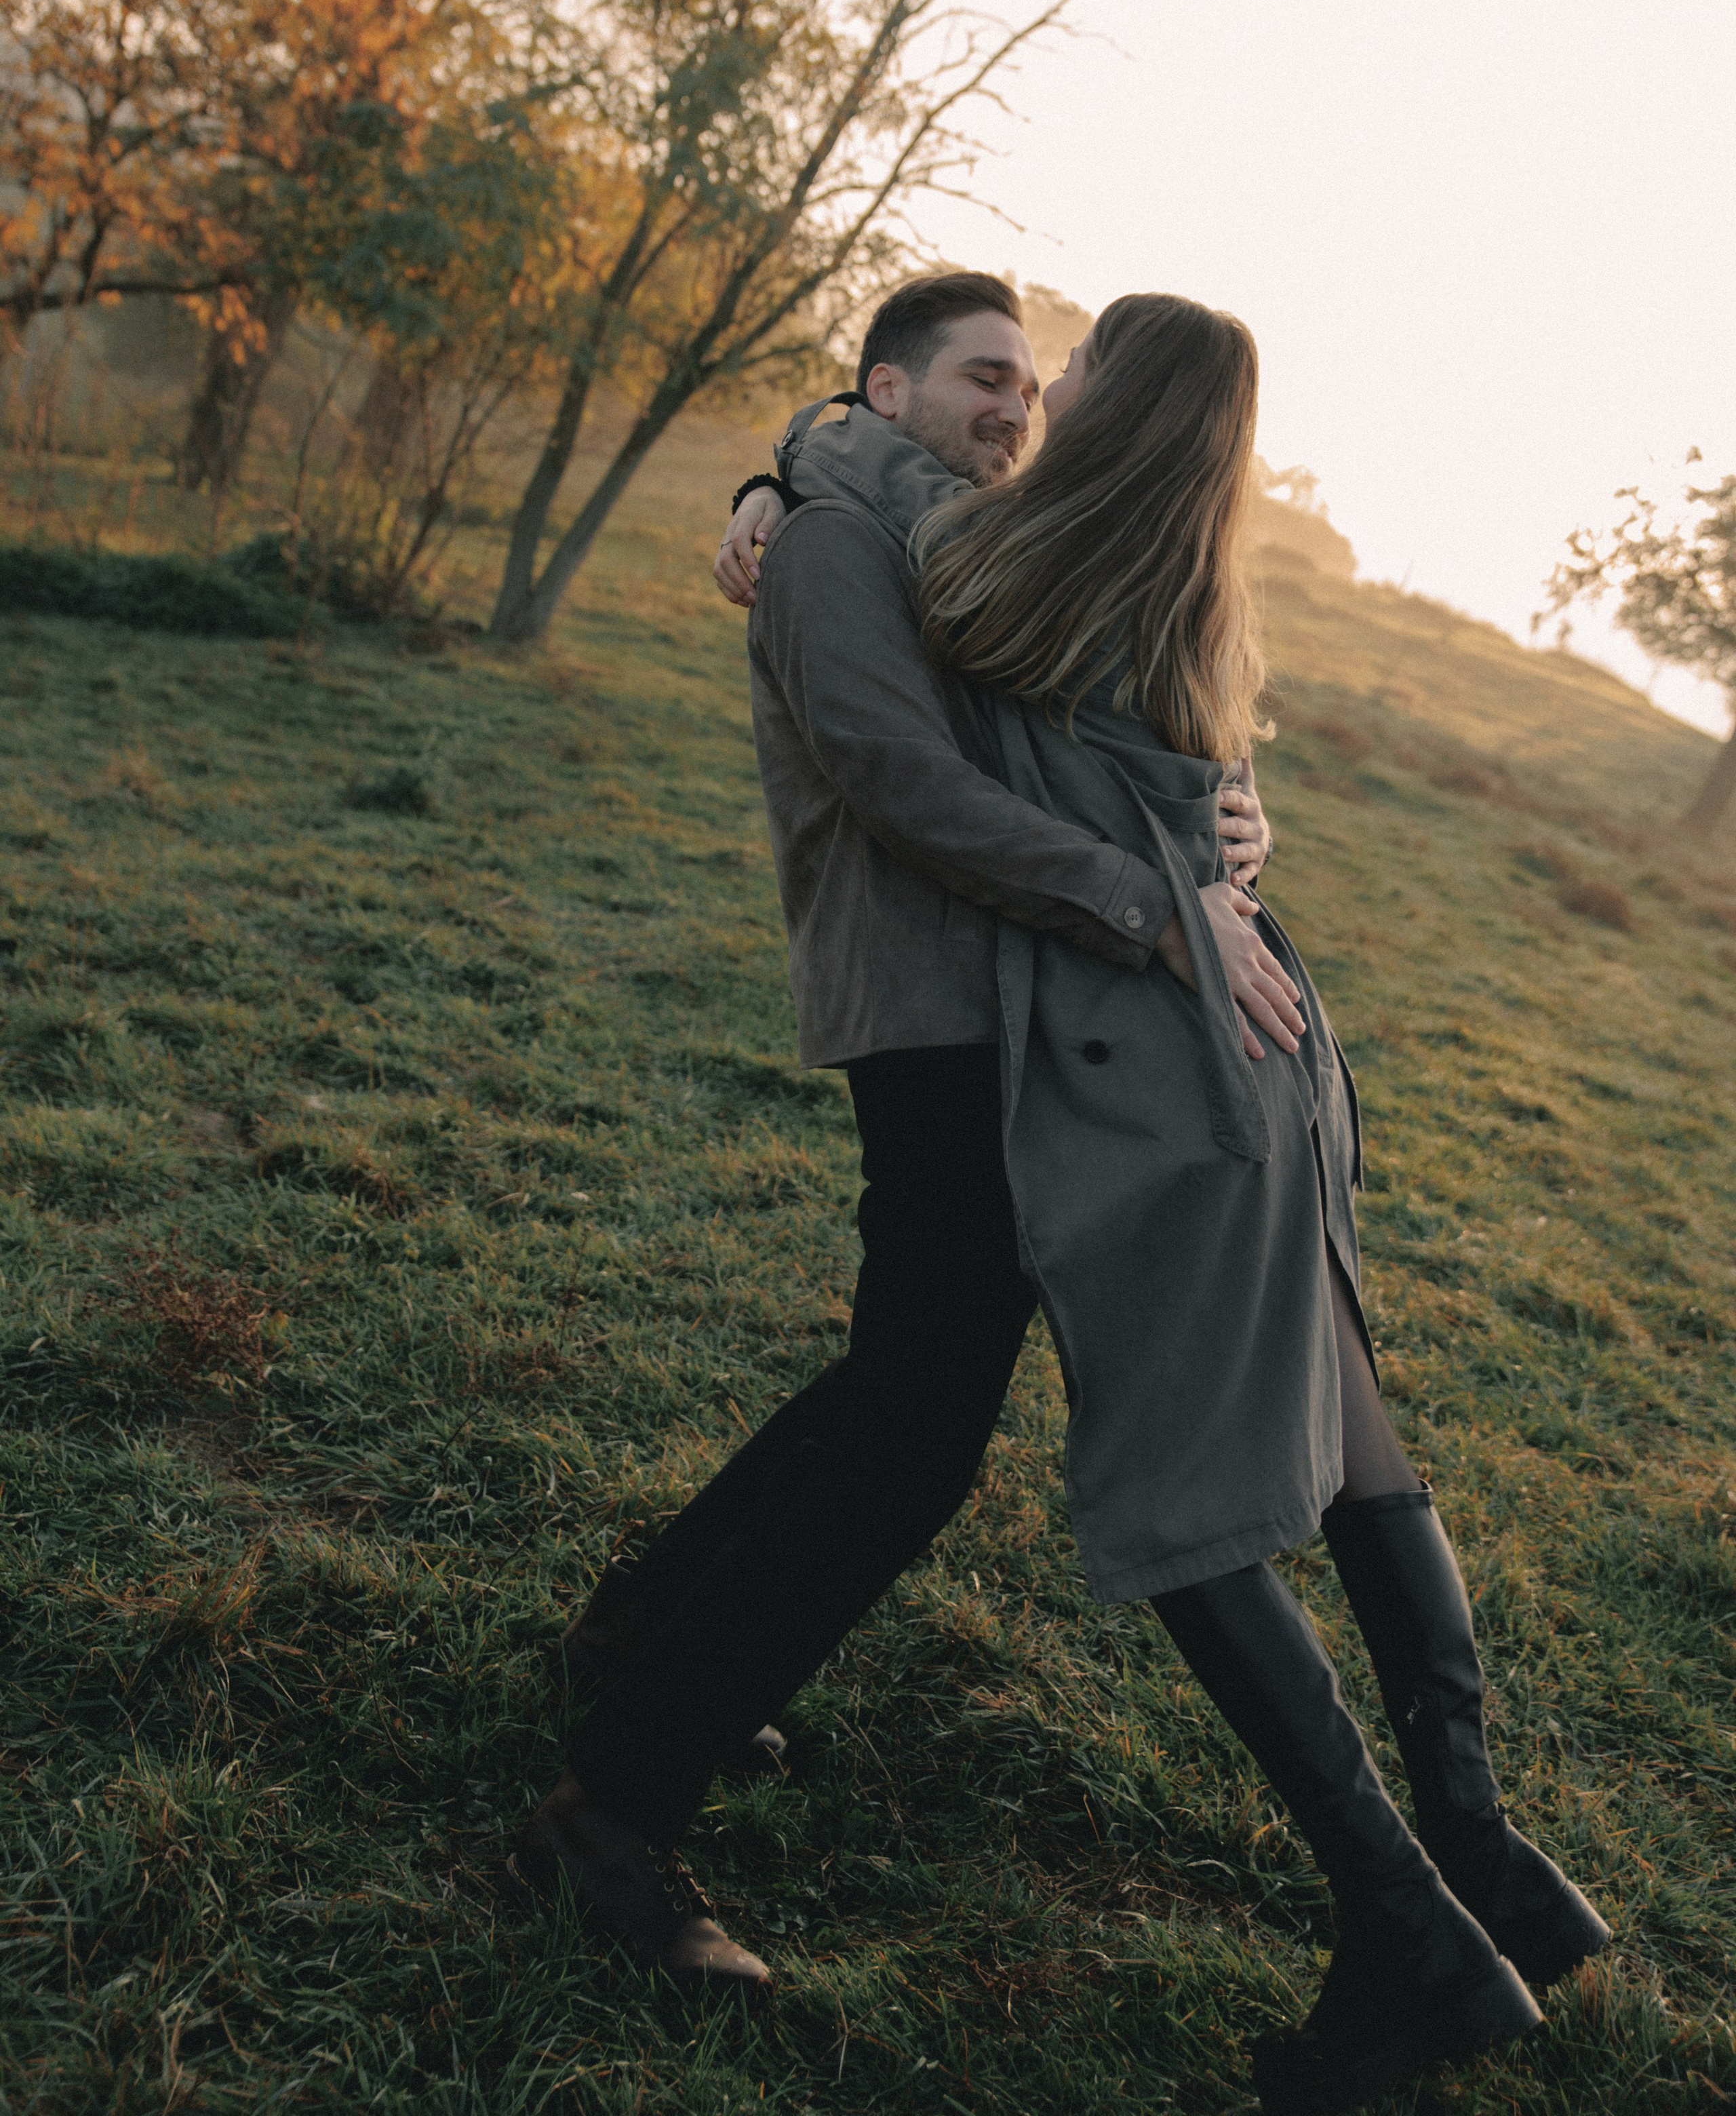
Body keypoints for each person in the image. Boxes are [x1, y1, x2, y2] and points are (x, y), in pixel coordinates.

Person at [507, 277, 1609, 2114]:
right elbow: (899, 766)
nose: (1020, 405)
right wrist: (793, 475)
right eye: (988, 377)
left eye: (1045, 377)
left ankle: (644, 1662)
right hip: (956, 1021)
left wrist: (1216, 839)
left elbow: (1116, 721)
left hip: (1075, 1036)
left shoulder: (983, 539)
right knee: (922, 1417)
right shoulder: (871, 536)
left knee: (913, 1397)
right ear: (887, 390)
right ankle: (618, 1785)